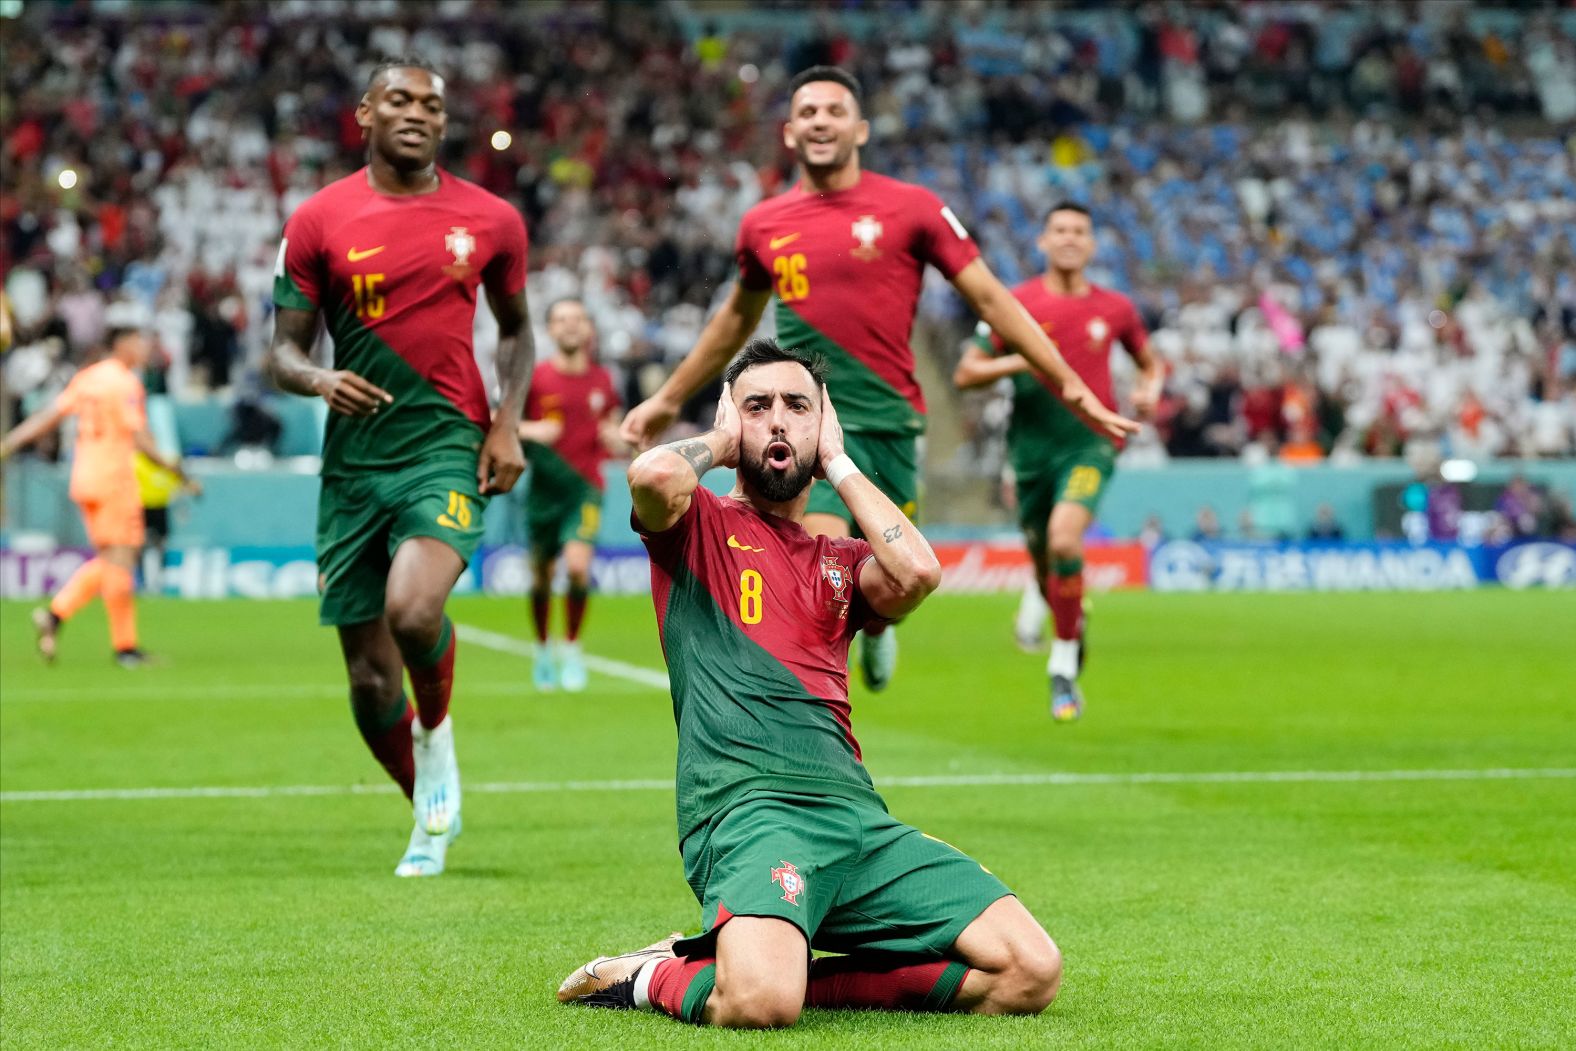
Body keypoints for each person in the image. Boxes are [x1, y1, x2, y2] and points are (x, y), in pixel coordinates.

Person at [559, 339, 1062, 1028]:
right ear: (733, 422)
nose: (777, 421)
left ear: (822, 423)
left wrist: (839, 462)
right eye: (757, 406)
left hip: (857, 820)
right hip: (748, 811)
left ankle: (771, 968)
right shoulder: (697, 525)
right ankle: (653, 972)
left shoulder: (843, 559)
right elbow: (650, 476)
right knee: (762, 1004)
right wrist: (718, 438)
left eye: (797, 407)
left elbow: (918, 573)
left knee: (1030, 971)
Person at [620, 66, 1137, 695]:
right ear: (789, 131)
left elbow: (991, 299)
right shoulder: (765, 223)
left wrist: (1069, 382)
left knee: (890, 577)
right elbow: (735, 319)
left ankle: (878, 629)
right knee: (809, 567)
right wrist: (668, 398)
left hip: (893, 427)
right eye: (807, 112)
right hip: (810, 427)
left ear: (859, 128)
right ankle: (803, 725)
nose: (820, 121)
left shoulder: (911, 209)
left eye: (834, 111)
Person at [264, 57, 534, 878]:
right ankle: (427, 808)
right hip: (353, 466)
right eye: (399, 100)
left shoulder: (491, 219)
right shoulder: (318, 218)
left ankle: (438, 732)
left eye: (432, 103)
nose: (417, 112)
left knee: (414, 612)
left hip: (446, 444)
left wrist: (507, 423)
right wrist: (316, 377)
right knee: (368, 677)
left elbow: (518, 331)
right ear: (365, 115)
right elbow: (281, 349)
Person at [953, 202, 1162, 722]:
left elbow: (1150, 362)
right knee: (1048, 567)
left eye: (1079, 232)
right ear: (1042, 242)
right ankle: (1072, 621)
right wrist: (1023, 357)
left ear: (1092, 245)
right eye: (1060, 230)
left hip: (1092, 442)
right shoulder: (1014, 304)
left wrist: (1149, 389)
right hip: (1030, 454)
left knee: (1067, 539)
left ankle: (1062, 665)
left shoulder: (1115, 308)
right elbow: (966, 373)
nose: (1069, 239)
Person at [1, 326, 192, 666]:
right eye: (139, 342)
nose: (145, 349)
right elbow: (142, 440)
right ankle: (121, 646)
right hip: (114, 479)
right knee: (120, 562)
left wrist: (9, 443)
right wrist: (177, 472)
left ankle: (61, 620)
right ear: (122, 345)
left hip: (84, 477)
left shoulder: (88, 378)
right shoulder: (125, 383)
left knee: (110, 560)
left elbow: (49, 415)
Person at [517, 297, 623, 692]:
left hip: (585, 488)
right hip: (544, 490)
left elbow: (612, 428)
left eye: (577, 318)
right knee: (541, 579)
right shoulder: (536, 378)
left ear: (589, 328)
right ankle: (542, 647)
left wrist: (617, 436)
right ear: (550, 330)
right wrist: (532, 431)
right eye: (561, 319)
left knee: (578, 567)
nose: (570, 326)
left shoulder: (603, 381)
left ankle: (573, 646)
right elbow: (502, 426)